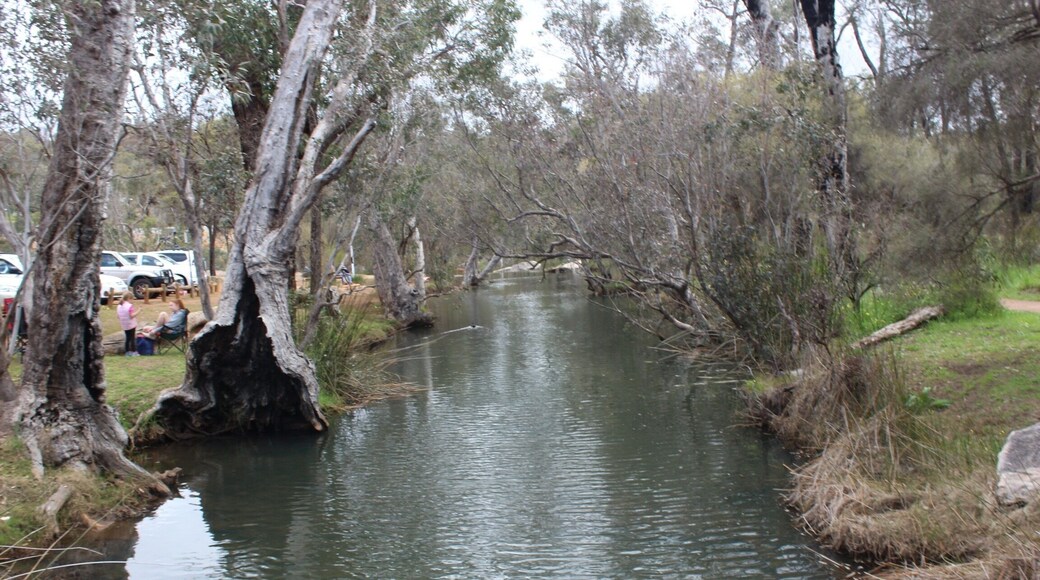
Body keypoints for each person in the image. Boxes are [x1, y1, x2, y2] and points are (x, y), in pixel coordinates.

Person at [116, 291, 139, 357]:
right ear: (129, 298)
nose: (133, 301)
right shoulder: (129, 306)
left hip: (124, 324)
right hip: (131, 324)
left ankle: (127, 352)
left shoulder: (119, 306)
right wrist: (138, 311)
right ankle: (134, 351)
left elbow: (118, 316)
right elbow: (131, 315)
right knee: (132, 338)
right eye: (132, 299)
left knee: (127, 338)